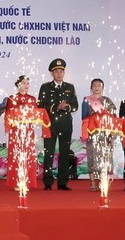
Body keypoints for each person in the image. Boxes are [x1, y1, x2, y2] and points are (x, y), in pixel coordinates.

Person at [38, 58, 77, 190]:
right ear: (52, 73)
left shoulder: (70, 87)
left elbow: (75, 106)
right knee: (48, 153)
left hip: (65, 125)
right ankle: (48, 182)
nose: (59, 74)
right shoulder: (45, 87)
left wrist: (66, 107)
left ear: (64, 72)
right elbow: (41, 104)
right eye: (56, 71)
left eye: (61, 71)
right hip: (50, 124)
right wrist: (55, 107)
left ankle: (62, 183)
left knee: (65, 153)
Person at [81, 78, 116, 191]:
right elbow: (84, 116)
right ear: (91, 87)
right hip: (92, 133)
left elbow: (114, 116)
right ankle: (92, 182)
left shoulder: (107, 101)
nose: (96, 87)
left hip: (105, 134)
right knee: (92, 157)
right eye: (94, 85)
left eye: (99, 85)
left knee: (104, 158)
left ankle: (103, 182)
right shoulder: (87, 100)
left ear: (102, 87)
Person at [5, 76, 39, 190]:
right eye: (23, 83)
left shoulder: (33, 99)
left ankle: (26, 181)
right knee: (16, 155)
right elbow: (8, 115)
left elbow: (36, 115)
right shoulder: (12, 98)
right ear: (18, 84)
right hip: (16, 131)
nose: (26, 85)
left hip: (29, 130)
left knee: (28, 155)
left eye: (27, 83)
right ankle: (17, 181)